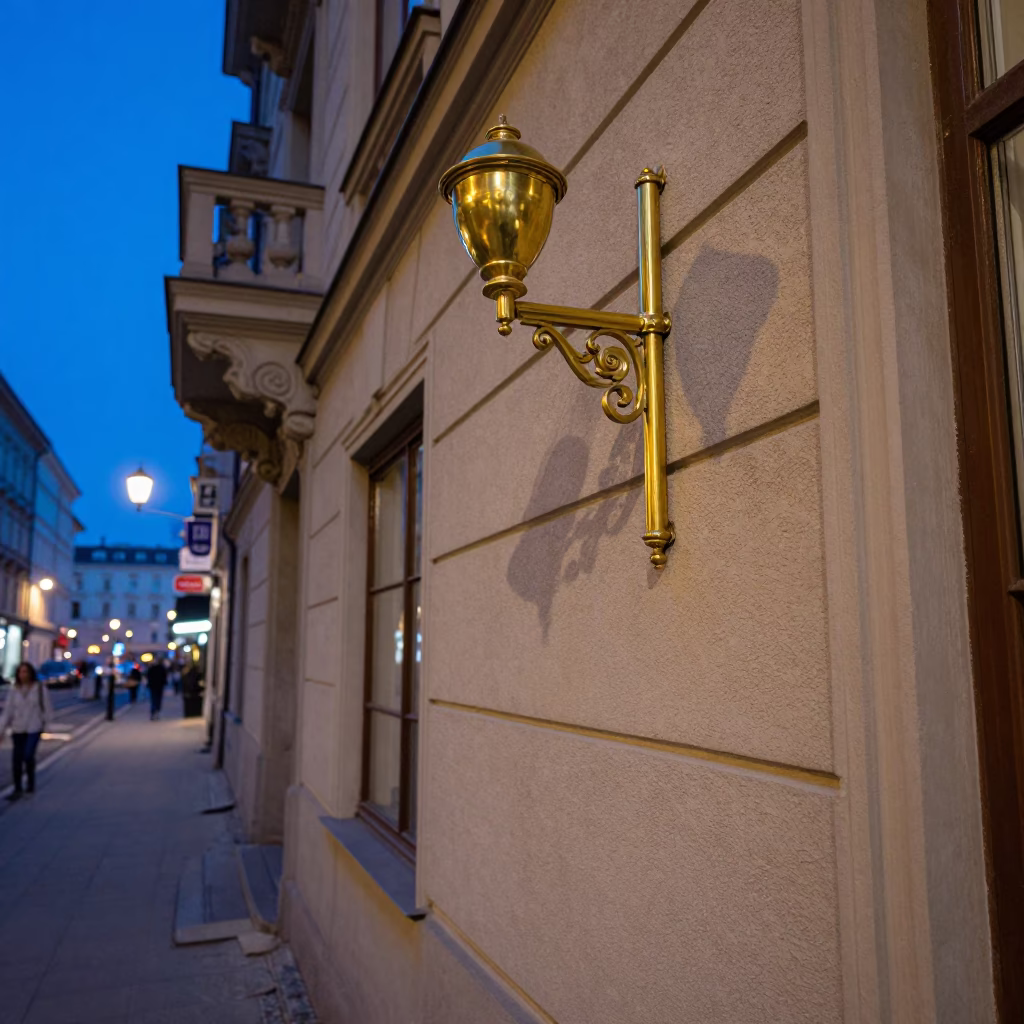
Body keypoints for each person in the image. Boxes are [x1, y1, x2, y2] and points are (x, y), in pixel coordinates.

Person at [0, 662, 54, 801]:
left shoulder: (40, 688)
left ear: (31, 673)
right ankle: (18, 788)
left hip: (33, 728)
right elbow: (8, 711)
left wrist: (47, 726)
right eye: (20, 672)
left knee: (28, 755)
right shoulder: (14, 690)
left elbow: (47, 708)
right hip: (18, 728)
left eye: (25, 672)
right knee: (16, 759)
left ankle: (30, 783)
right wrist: (2, 730)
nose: (23, 674)